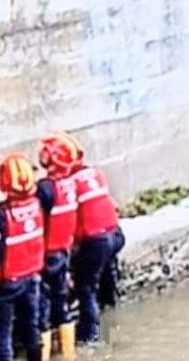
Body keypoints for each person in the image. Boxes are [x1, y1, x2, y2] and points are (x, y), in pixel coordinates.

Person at [0, 153, 45, 361]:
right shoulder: (37, 204)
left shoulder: (0, 214)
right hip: (31, 278)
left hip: (5, 285)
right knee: (31, 328)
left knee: (1, 337)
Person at [68, 134, 124, 345]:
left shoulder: (69, 184)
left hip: (95, 242)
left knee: (86, 287)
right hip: (115, 235)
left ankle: (91, 338)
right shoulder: (96, 175)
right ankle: (112, 325)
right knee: (107, 276)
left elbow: (66, 219)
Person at [35, 132, 82, 359]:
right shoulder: (70, 184)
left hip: (46, 255)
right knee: (61, 303)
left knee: (42, 307)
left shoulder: (45, 188)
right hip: (63, 252)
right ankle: (68, 353)